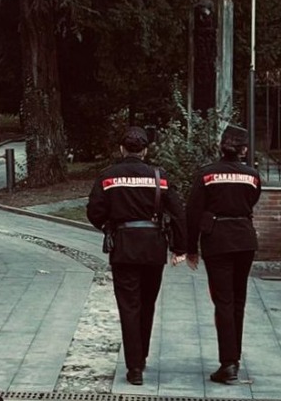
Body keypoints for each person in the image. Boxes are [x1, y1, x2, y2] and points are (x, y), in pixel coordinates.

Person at [87, 126, 187, 386]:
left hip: (124, 248)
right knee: (147, 304)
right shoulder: (159, 176)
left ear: (122, 149)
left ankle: (134, 368)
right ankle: (141, 356)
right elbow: (177, 211)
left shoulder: (108, 177)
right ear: (145, 150)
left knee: (129, 307)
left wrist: (110, 226)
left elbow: (94, 212)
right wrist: (180, 248)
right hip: (154, 248)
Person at [184, 124, 262, 384]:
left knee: (223, 302)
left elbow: (193, 212)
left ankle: (228, 362)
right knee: (238, 300)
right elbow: (252, 201)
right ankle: (234, 359)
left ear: (221, 146)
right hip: (244, 239)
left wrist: (190, 248)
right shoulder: (252, 175)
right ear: (244, 149)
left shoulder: (206, 175)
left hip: (216, 240)